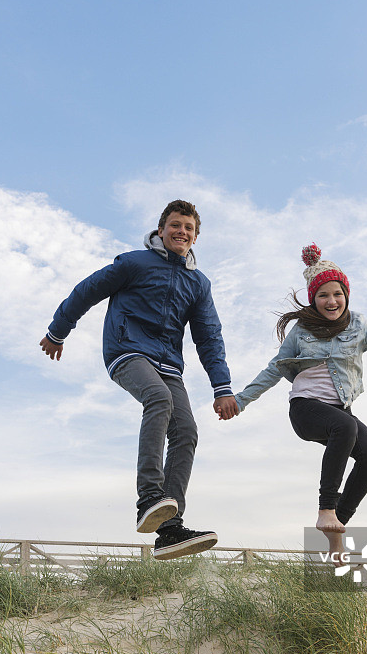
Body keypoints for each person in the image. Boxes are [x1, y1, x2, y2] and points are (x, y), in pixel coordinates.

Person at [220, 244, 367, 562]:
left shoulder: (359, 327)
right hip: (306, 408)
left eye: (337, 294)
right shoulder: (301, 331)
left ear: (346, 295)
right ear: (314, 299)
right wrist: (240, 401)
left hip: (339, 412)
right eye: (323, 295)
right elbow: (273, 369)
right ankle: (326, 508)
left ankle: (336, 528)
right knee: (345, 426)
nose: (331, 301)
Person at [40, 200, 238, 560]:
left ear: (195, 237)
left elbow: (209, 337)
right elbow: (87, 290)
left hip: (169, 365)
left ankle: (169, 528)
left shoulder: (198, 283)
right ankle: (149, 497)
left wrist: (221, 387)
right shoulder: (135, 263)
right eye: (175, 225)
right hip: (127, 350)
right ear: (161, 230)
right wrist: (58, 330)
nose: (181, 232)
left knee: (186, 430)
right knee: (158, 398)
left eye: (189, 228)